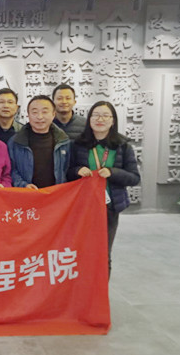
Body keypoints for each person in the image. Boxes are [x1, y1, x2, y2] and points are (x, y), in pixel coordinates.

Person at [68, 101, 140, 277]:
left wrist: (112, 172)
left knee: (103, 253)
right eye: (96, 115)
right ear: (89, 119)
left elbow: (134, 178)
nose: (100, 119)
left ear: (113, 120)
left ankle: (100, 292)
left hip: (109, 208)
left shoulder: (123, 145)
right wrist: (77, 170)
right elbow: (67, 172)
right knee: (81, 252)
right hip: (83, 207)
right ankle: (82, 289)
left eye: (105, 115)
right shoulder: (78, 144)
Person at [7, 95, 70, 189]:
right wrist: (23, 185)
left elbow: (67, 170)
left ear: (53, 114)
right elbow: (11, 170)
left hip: (56, 194)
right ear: (28, 115)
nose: (40, 117)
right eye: (34, 112)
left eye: (45, 112)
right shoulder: (15, 142)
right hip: (27, 195)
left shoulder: (63, 141)